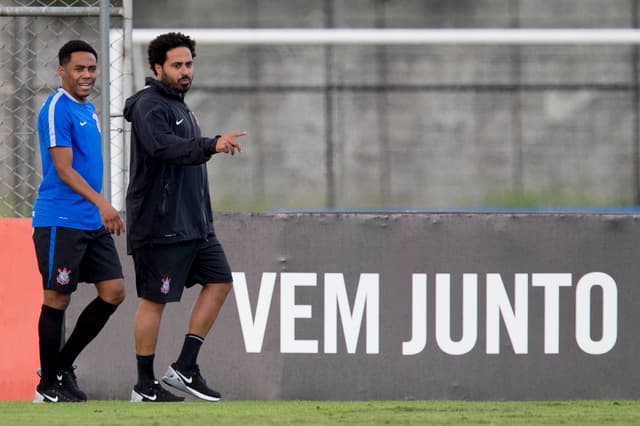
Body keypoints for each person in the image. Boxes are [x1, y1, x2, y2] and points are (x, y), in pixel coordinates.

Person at [124, 32, 246, 403]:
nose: (185, 71)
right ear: (157, 67)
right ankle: (144, 386)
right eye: (177, 65)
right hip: (160, 224)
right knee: (154, 300)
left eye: (189, 64)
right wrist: (211, 144)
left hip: (194, 225)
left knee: (221, 282)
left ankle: (185, 367)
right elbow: (164, 148)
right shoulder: (149, 106)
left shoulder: (181, 106)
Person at [32, 40, 126, 403]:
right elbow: (64, 168)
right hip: (60, 218)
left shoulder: (89, 110)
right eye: (79, 69)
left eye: (91, 69)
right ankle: (46, 388)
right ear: (62, 70)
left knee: (114, 291)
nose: (87, 75)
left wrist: (98, 209)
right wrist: (104, 203)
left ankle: (59, 368)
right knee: (57, 297)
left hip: (90, 220)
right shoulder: (57, 108)